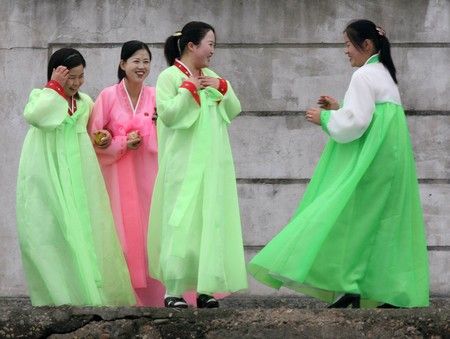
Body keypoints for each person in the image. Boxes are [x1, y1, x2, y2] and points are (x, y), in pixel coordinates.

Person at [248, 19, 429, 308]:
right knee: (378, 223)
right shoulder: (383, 73)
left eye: (347, 44)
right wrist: (340, 109)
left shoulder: (363, 76)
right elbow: (373, 118)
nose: (345, 51)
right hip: (389, 162)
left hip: (372, 163)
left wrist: (326, 118)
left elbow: (356, 124)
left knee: (344, 216)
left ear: (366, 45)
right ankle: (374, 289)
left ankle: (351, 286)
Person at [16, 48, 135, 306]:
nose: (76, 83)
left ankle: (92, 293)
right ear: (57, 74)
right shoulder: (41, 96)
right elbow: (35, 116)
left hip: (80, 179)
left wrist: (104, 138)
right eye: (71, 77)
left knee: (86, 231)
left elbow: (97, 130)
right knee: (52, 234)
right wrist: (54, 87)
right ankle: (60, 296)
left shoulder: (84, 103)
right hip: (49, 178)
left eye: (81, 77)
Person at [148, 21, 248, 308]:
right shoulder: (169, 77)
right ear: (192, 46)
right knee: (180, 221)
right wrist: (188, 90)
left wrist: (222, 87)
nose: (212, 51)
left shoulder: (212, 75)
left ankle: (206, 288)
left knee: (210, 221)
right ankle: (174, 291)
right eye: (210, 44)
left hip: (212, 164)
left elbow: (233, 108)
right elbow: (168, 115)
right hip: (182, 164)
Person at [88, 41, 164, 306]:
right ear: (122, 65)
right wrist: (119, 142)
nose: (141, 67)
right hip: (117, 175)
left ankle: (156, 297)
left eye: (146, 61)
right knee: (120, 233)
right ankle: (122, 295)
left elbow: (168, 132)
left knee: (150, 231)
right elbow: (94, 137)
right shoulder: (107, 96)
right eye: (136, 61)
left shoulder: (156, 96)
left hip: (149, 172)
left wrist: (151, 133)